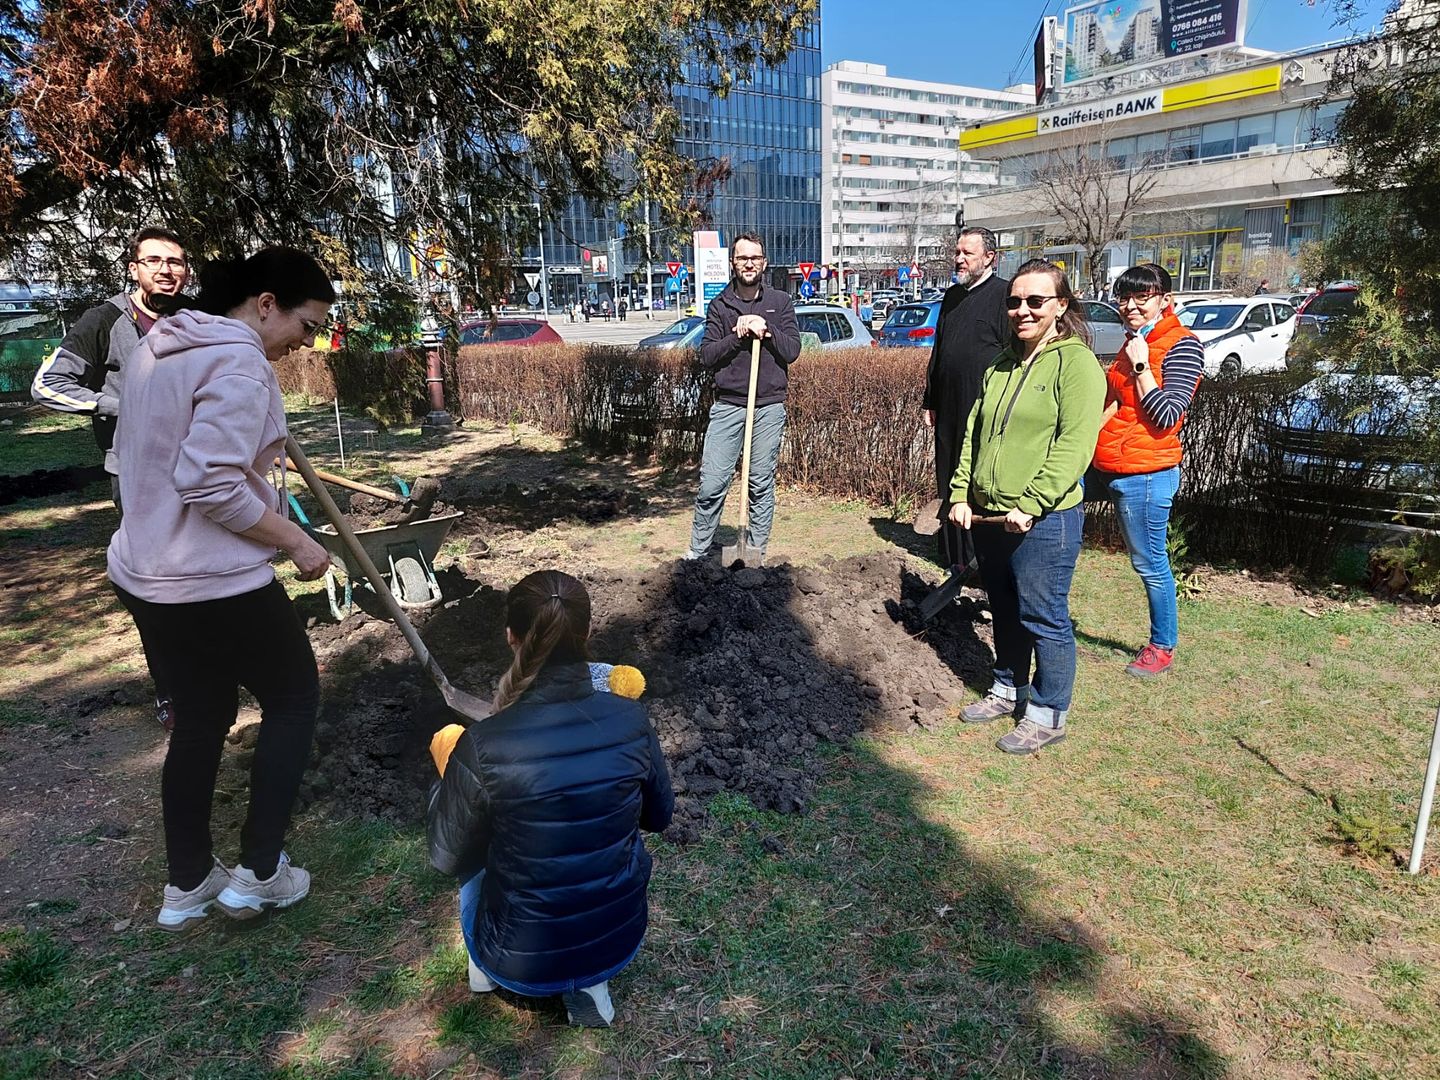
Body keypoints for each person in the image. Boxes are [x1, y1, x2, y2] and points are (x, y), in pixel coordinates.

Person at [106, 247, 336, 929]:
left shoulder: (162, 346)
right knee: (295, 697)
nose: (308, 342)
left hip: (144, 575)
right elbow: (208, 483)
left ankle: (188, 885)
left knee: (201, 720)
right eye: (307, 323)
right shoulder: (239, 361)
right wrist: (295, 540)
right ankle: (261, 873)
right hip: (210, 578)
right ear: (266, 303)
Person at [427, 570, 674, 1028]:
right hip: (616, 940)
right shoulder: (631, 720)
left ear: (510, 638)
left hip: (518, 960)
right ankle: (591, 984)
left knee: (475, 853)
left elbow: (447, 857)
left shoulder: (480, 745)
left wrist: (448, 783)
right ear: (586, 634)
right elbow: (659, 818)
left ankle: (483, 971)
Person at [31, 225, 190, 731]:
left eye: (177, 263)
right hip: (137, 474)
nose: (168, 270)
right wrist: (119, 405)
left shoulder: (194, 319)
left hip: (198, 468)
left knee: (204, 573)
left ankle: (214, 672)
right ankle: (171, 691)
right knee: (156, 583)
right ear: (134, 268)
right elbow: (47, 384)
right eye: (156, 261)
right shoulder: (105, 320)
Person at [948, 258, 1106, 755]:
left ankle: (1047, 711)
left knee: (1044, 616)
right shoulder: (1000, 363)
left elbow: (1075, 445)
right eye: (1014, 301)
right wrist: (959, 492)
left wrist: (1034, 502)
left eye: (1035, 301)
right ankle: (1006, 686)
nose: (1022, 310)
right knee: (1005, 609)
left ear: (1061, 306)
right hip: (992, 514)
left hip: (1045, 520)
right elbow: (974, 432)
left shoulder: (1076, 363)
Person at [1090, 263, 1205, 678]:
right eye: (1125, 297)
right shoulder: (1133, 341)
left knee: (1149, 562)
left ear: (1164, 300)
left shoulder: (1183, 345)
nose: (1131, 305)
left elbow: (1166, 416)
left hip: (1147, 471)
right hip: (1108, 461)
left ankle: (1162, 646)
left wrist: (1141, 367)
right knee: (1049, 503)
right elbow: (1116, 406)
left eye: (1142, 297)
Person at [684, 233, 801, 562]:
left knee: (761, 484)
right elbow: (707, 356)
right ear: (732, 263)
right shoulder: (720, 305)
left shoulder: (780, 303)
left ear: (764, 263)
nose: (748, 263)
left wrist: (767, 330)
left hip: (769, 406)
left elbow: (791, 350)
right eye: (742, 258)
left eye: (755, 258)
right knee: (712, 483)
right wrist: (736, 334)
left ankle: (755, 554)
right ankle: (697, 552)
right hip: (729, 405)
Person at [923, 227, 1011, 572]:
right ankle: (953, 553)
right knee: (947, 474)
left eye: (967, 253)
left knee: (974, 478)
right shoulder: (952, 297)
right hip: (947, 406)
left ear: (989, 257)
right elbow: (940, 351)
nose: (959, 259)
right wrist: (930, 399)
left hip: (983, 407)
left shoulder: (1004, 296)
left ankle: (978, 557)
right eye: (957, 252)